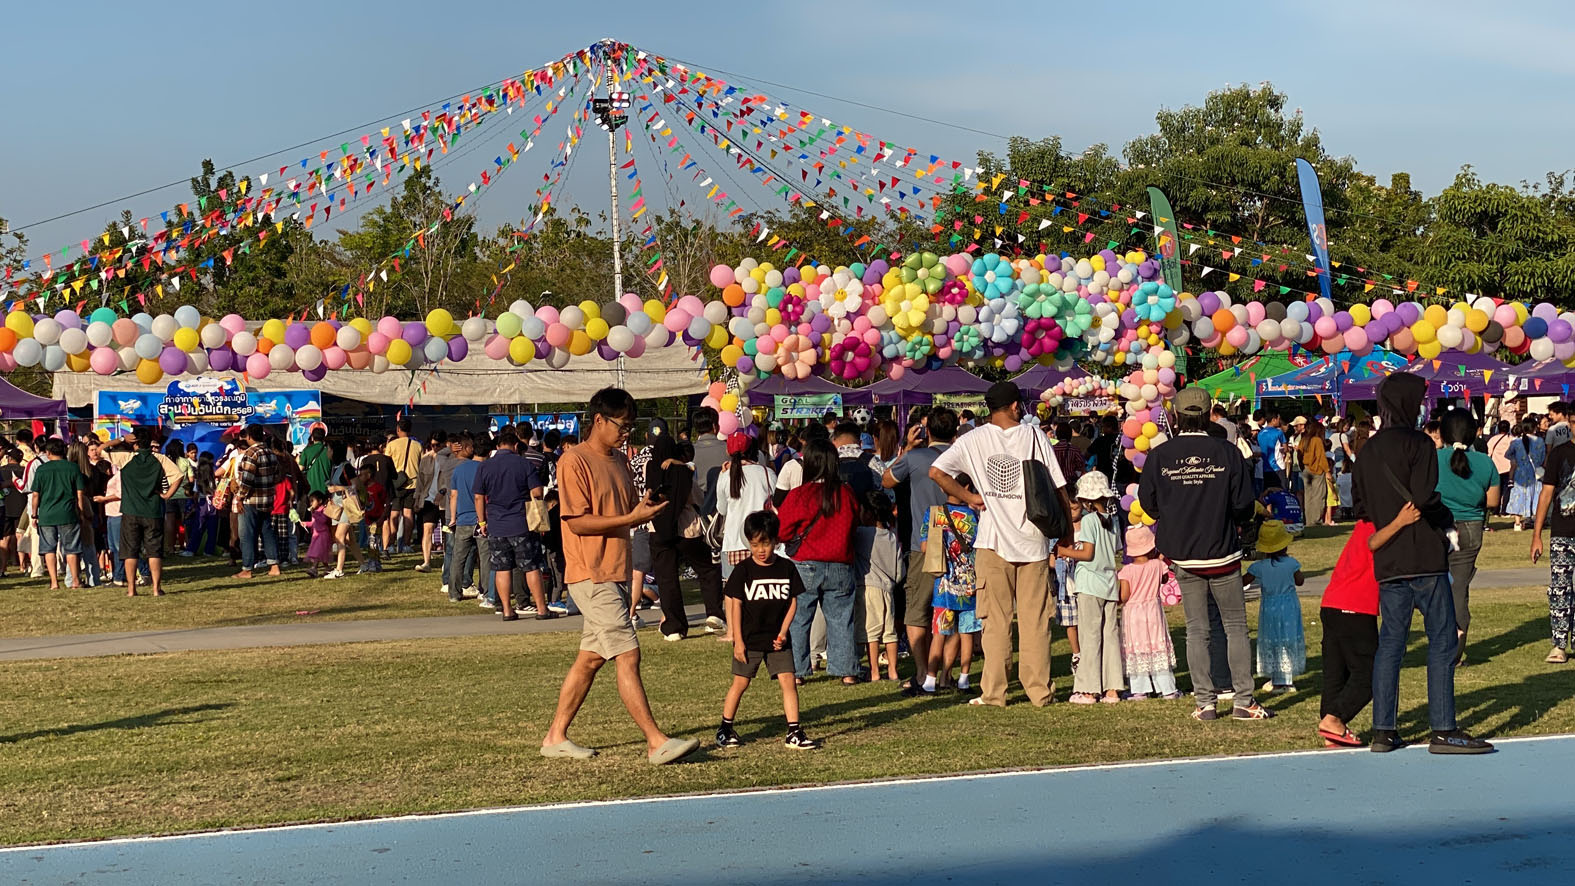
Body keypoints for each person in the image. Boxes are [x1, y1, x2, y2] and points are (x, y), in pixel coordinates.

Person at [540, 387, 698, 765]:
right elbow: (577, 522)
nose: (626, 432)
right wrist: (630, 519)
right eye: (621, 425)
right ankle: (655, 741)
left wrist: (644, 508)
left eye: (630, 426)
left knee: (591, 659)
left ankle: (555, 737)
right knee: (628, 653)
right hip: (589, 573)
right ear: (599, 420)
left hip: (614, 571)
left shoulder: (621, 462)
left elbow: (625, 508)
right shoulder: (574, 461)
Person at [1354, 372, 1492, 754]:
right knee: (1443, 640)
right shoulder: (1418, 443)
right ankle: (1443, 727)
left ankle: (1383, 729)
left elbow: (1362, 506)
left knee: (1391, 644)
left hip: (1389, 556)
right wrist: (1446, 520)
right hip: (1425, 555)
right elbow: (1425, 497)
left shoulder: (1367, 450)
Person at [930, 382, 1071, 708]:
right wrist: (1067, 534)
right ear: (1015, 406)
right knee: (1036, 621)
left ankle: (994, 692)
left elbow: (936, 472)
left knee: (995, 621)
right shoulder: (1034, 436)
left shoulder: (972, 439)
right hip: (1034, 539)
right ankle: (1039, 692)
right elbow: (1058, 486)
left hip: (992, 542)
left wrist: (969, 497)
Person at [1139, 387, 1269, 721]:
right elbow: (1243, 506)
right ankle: (1243, 700)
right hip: (1222, 551)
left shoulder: (1160, 455)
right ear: (1210, 413)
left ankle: (1205, 703)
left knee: (1198, 630)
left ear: (1176, 416)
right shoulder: (1227, 453)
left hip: (1184, 554)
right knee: (1235, 627)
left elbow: (1149, 505)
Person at [716, 510, 820, 751]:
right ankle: (725, 728)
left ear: (776, 542)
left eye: (765, 543)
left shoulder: (786, 568)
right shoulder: (743, 570)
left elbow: (793, 602)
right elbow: (735, 604)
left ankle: (794, 731)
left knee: (788, 682)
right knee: (740, 683)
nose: (760, 550)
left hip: (778, 640)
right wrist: (737, 640)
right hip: (750, 638)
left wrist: (783, 633)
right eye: (754, 545)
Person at [883, 407, 957, 695]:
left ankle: (922, 672)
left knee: (918, 609)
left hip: (922, 543)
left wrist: (908, 449)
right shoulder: (962, 457)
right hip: (959, 540)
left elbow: (886, 480)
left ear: (927, 430)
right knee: (952, 608)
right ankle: (948, 674)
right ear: (954, 431)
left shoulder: (913, 459)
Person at [778, 438, 861, 685]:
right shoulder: (846, 493)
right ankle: (846, 670)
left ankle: (797, 672)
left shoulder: (799, 495)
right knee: (841, 619)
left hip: (805, 564)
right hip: (840, 563)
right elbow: (854, 524)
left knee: (799, 619)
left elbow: (782, 531)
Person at [1435, 410, 1499, 659]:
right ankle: (1459, 633)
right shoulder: (1485, 462)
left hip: (1438, 526)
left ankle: (1440, 635)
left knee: (1435, 583)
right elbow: (1493, 501)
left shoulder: (1433, 458)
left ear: (1442, 434)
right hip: (1471, 528)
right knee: (1459, 586)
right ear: (1474, 433)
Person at [646, 434, 723, 639]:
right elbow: (697, 498)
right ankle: (714, 614)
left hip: (658, 528)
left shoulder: (650, 470)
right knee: (707, 569)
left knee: (666, 578)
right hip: (687, 529)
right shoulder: (683, 472)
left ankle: (674, 626)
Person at [475, 428, 555, 621]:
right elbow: (537, 492)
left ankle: (507, 610)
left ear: (497, 445)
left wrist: (482, 522)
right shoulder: (523, 464)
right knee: (530, 566)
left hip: (496, 524)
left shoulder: (485, 466)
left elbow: (479, 496)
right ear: (516, 445)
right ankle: (542, 609)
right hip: (521, 523)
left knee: (502, 569)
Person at [1318, 520, 1380, 748]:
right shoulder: (1385, 525)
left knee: (1336, 673)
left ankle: (1330, 727)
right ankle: (1334, 718)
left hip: (1332, 602)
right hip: (1357, 606)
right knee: (1370, 673)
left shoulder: (1364, 524)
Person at [1062, 472, 1122, 704]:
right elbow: (1115, 549)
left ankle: (1088, 689)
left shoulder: (1088, 521)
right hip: (1109, 583)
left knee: (1090, 636)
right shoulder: (1113, 520)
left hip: (1089, 584)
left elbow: (1087, 554)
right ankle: (1112, 688)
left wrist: (1064, 552)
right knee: (1110, 636)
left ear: (1086, 500)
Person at [921, 475, 982, 692]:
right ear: (966, 487)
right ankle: (964, 679)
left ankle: (929, 680)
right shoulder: (975, 515)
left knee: (939, 632)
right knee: (967, 633)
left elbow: (925, 548)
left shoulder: (934, 513)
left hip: (944, 583)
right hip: (970, 584)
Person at [1118, 524, 1178, 700]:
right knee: (1156, 646)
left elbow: (1125, 595)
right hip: (1153, 611)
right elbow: (1165, 578)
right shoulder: (1157, 565)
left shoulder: (1126, 571)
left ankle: (1139, 689)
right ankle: (1167, 689)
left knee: (1137, 649)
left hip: (1133, 613)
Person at [1532, 425, 1575, 664]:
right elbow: (1546, 494)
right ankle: (1559, 644)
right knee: (1559, 588)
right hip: (1562, 531)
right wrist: (1536, 534)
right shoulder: (1559, 454)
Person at [1247, 520, 1305, 694]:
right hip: (1289, 604)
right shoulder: (1291, 563)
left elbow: (1243, 580)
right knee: (1287, 637)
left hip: (1269, 605)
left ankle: (1277, 679)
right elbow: (1300, 581)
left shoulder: (1259, 566)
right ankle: (1286, 679)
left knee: (1273, 638)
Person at [854, 491, 902, 683]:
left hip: (867, 587)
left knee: (871, 632)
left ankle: (874, 671)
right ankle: (893, 670)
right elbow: (900, 570)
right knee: (890, 632)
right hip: (888, 589)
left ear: (869, 513)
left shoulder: (862, 534)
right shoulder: (891, 536)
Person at [118, 428, 173, 597]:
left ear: (134, 442)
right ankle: (156, 588)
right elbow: (178, 476)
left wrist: (121, 439)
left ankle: (131, 589)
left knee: (130, 551)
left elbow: (100, 450)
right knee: (154, 550)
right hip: (153, 510)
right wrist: (166, 495)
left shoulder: (126, 458)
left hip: (130, 510)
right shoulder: (160, 459)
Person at [717, 431, 777, 583]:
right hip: (763, 541)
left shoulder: (725, 476)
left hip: (733, 542)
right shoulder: (767, 473)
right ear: (753, 451)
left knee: (734, 595)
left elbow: (722, 509)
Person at [31, 437, 87, 590]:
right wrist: (81, 513)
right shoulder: (73, 468)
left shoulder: (42, 469)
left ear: (48, 452)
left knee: (49, 549)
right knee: (72, 548)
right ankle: (75, 580)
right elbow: (80, 494)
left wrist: (34, 514)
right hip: (68, 513)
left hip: (47, 514)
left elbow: (35, 495)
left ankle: (54, 582)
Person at [446, 433, 492, 604]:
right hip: (482, 519)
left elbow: (454, 495)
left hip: (463, 518)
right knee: (485, 557)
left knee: (458, 558)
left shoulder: (460, 469)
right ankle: (486, 591)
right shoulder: (486, 469)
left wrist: (453, 517)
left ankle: (454, 592)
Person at [233, 425, 282, 579]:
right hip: (267, 499)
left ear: (248, 436)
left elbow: (247, 480)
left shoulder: (251, 453)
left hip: (251, 500)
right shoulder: (270, 452)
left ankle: (247, 568)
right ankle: (274, 566)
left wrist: (239, 497)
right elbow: (277, 475)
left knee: (247, 534)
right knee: (267, 532)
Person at [384, 419, 423, 553]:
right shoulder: (418, 445)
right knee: (408, 513)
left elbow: (386, 464)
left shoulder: (391, 445)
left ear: (398, 429)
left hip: (396, 483)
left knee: (394, 514)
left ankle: (391, 544)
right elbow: (421, 465)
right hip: (413, 483)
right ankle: (406, 544)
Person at [324, 462, 368, 580]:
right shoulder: (334, 466)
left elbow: (356, 486)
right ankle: (364, 564)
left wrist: (339, 488)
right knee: (350, 539)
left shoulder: (346, 467)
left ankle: (339, 570)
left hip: (347, 505)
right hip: (338, 505)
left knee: (339, 536)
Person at [1505, 419, 1545, 531]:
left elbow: (1509, 455)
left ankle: (1517, 523)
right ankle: (1534, 520)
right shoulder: (1540, 441)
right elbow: (1542, 457)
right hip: (1535, 472)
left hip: (1520, 472)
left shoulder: (1515, 442)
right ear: (1534, 428)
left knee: (1518, 495)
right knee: (1536, 495)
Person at [690, 407, 728, 504]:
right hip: (723, 503)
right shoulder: (728, 450)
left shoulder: (689, 451)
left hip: (697, 505)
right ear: (715, 427)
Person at [1297, 419, 1330, 527]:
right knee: (1319, 495)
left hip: (1306, 469)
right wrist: (1327, 471)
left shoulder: (1304, 440)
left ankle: (1308, 520)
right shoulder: (1317, 440)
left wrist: (1302, 467)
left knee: (1308, 496)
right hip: (1317, 470)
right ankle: (1316, 520)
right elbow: (1321, 457)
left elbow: (1299, 454)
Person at [832, 421, 878, 499]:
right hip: (865, 508)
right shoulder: (872, 461)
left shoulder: (827, 461)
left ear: (833, 442)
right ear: (860, 443)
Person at [300, 491, 334, 578]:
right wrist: (306, 523)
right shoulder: (315, 512)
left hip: (323, 535)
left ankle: (314, 568)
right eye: (310, 501)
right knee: (321, 553)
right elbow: (313, 523)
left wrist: (315, 515)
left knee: (318, 552)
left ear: (320, 501)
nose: (311, 503)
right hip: (316, 535)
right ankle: (328, 568)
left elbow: (323, 520)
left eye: (313, 501)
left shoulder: (324, 510)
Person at [1486, 420, 1514, 516]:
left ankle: (1495, 510)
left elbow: (1488, 453)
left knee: (1497, 489)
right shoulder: (1512, 440)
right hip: (1508, 468)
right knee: (1507, 489)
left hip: (1496, 467)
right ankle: (1504, 510)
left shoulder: (1492, 440)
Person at [1257, 413, 1288, 490]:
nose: (1279, 421)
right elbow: (1285, 448)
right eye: (1278, 419)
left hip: (1264, 467)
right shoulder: (1279, 432)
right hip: (1278, 466)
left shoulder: (1260, 433)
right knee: (1281, 490)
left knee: (1268, 491)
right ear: (1274, 420)